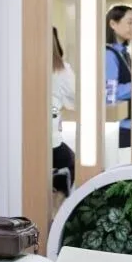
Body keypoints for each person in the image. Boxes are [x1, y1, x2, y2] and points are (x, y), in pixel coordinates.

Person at [105, 4, 132, 151]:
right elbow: (110, 94)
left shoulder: (124, 53)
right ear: (113, 24)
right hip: (120, 127)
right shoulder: (109, 55)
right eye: (130, 22)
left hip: (129, 124)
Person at [51, 27, 76, 195]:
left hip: (22, 142)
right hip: (52, 144)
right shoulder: (61, 70)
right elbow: (74, 101)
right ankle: (59, 202)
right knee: (71, 162)